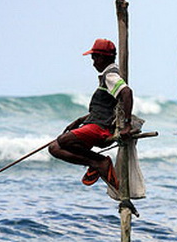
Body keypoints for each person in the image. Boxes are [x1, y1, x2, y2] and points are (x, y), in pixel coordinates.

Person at [48, 39, 134, 190]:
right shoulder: (107, 77)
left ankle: (99, 162)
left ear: (103, 58)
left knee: (63, 140)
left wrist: (126, 125)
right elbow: (104, 107)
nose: (93, 62)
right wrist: (79, 120)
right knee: (54, 147)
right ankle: (95, 162)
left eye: (94, 57)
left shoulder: (110, 76)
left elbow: (127, 93)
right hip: (95, 123)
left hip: (101, 128)